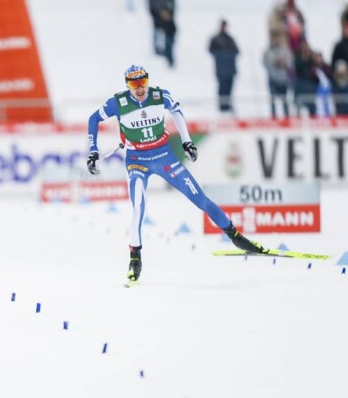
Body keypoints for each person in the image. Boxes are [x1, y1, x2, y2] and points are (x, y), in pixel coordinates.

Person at [86, 65, 264, 284]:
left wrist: (187, 142)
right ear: (127, 85)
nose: (140, 88)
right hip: (137, 161)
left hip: (164, 157)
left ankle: (236, 237)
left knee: (201, 199)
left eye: (143, 81)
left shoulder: (160, 95)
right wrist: (92, 151)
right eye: (134, 84)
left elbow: (177, 112)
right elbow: (93, 119)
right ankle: (135, 259)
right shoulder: (118, 102)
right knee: (138, 206)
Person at [208, 20, 239, 112]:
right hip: (221, 69)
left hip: (230, 68)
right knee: (222, 87)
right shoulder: (215, 39)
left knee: (229, 87)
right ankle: (222, 105)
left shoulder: (230, 39)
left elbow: (236, 51)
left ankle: (227, 104)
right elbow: (211, 50)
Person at [262, 31, 293, 118]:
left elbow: (289, 62)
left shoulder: (284, 50)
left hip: (283, 80)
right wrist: (275, 62)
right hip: (272, 80)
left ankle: (287, 119)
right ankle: (273, 119)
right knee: (273, 101)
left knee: (284, 101)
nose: (275, 40)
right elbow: (266, 64)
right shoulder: (267, 51)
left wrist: (283, 63)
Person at [148, 0, 177, 67]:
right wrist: (163, 10)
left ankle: (166, 55)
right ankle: (163, 55)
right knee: (163, 33)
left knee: (167, 33)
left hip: (163, 12)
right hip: (161, 12)